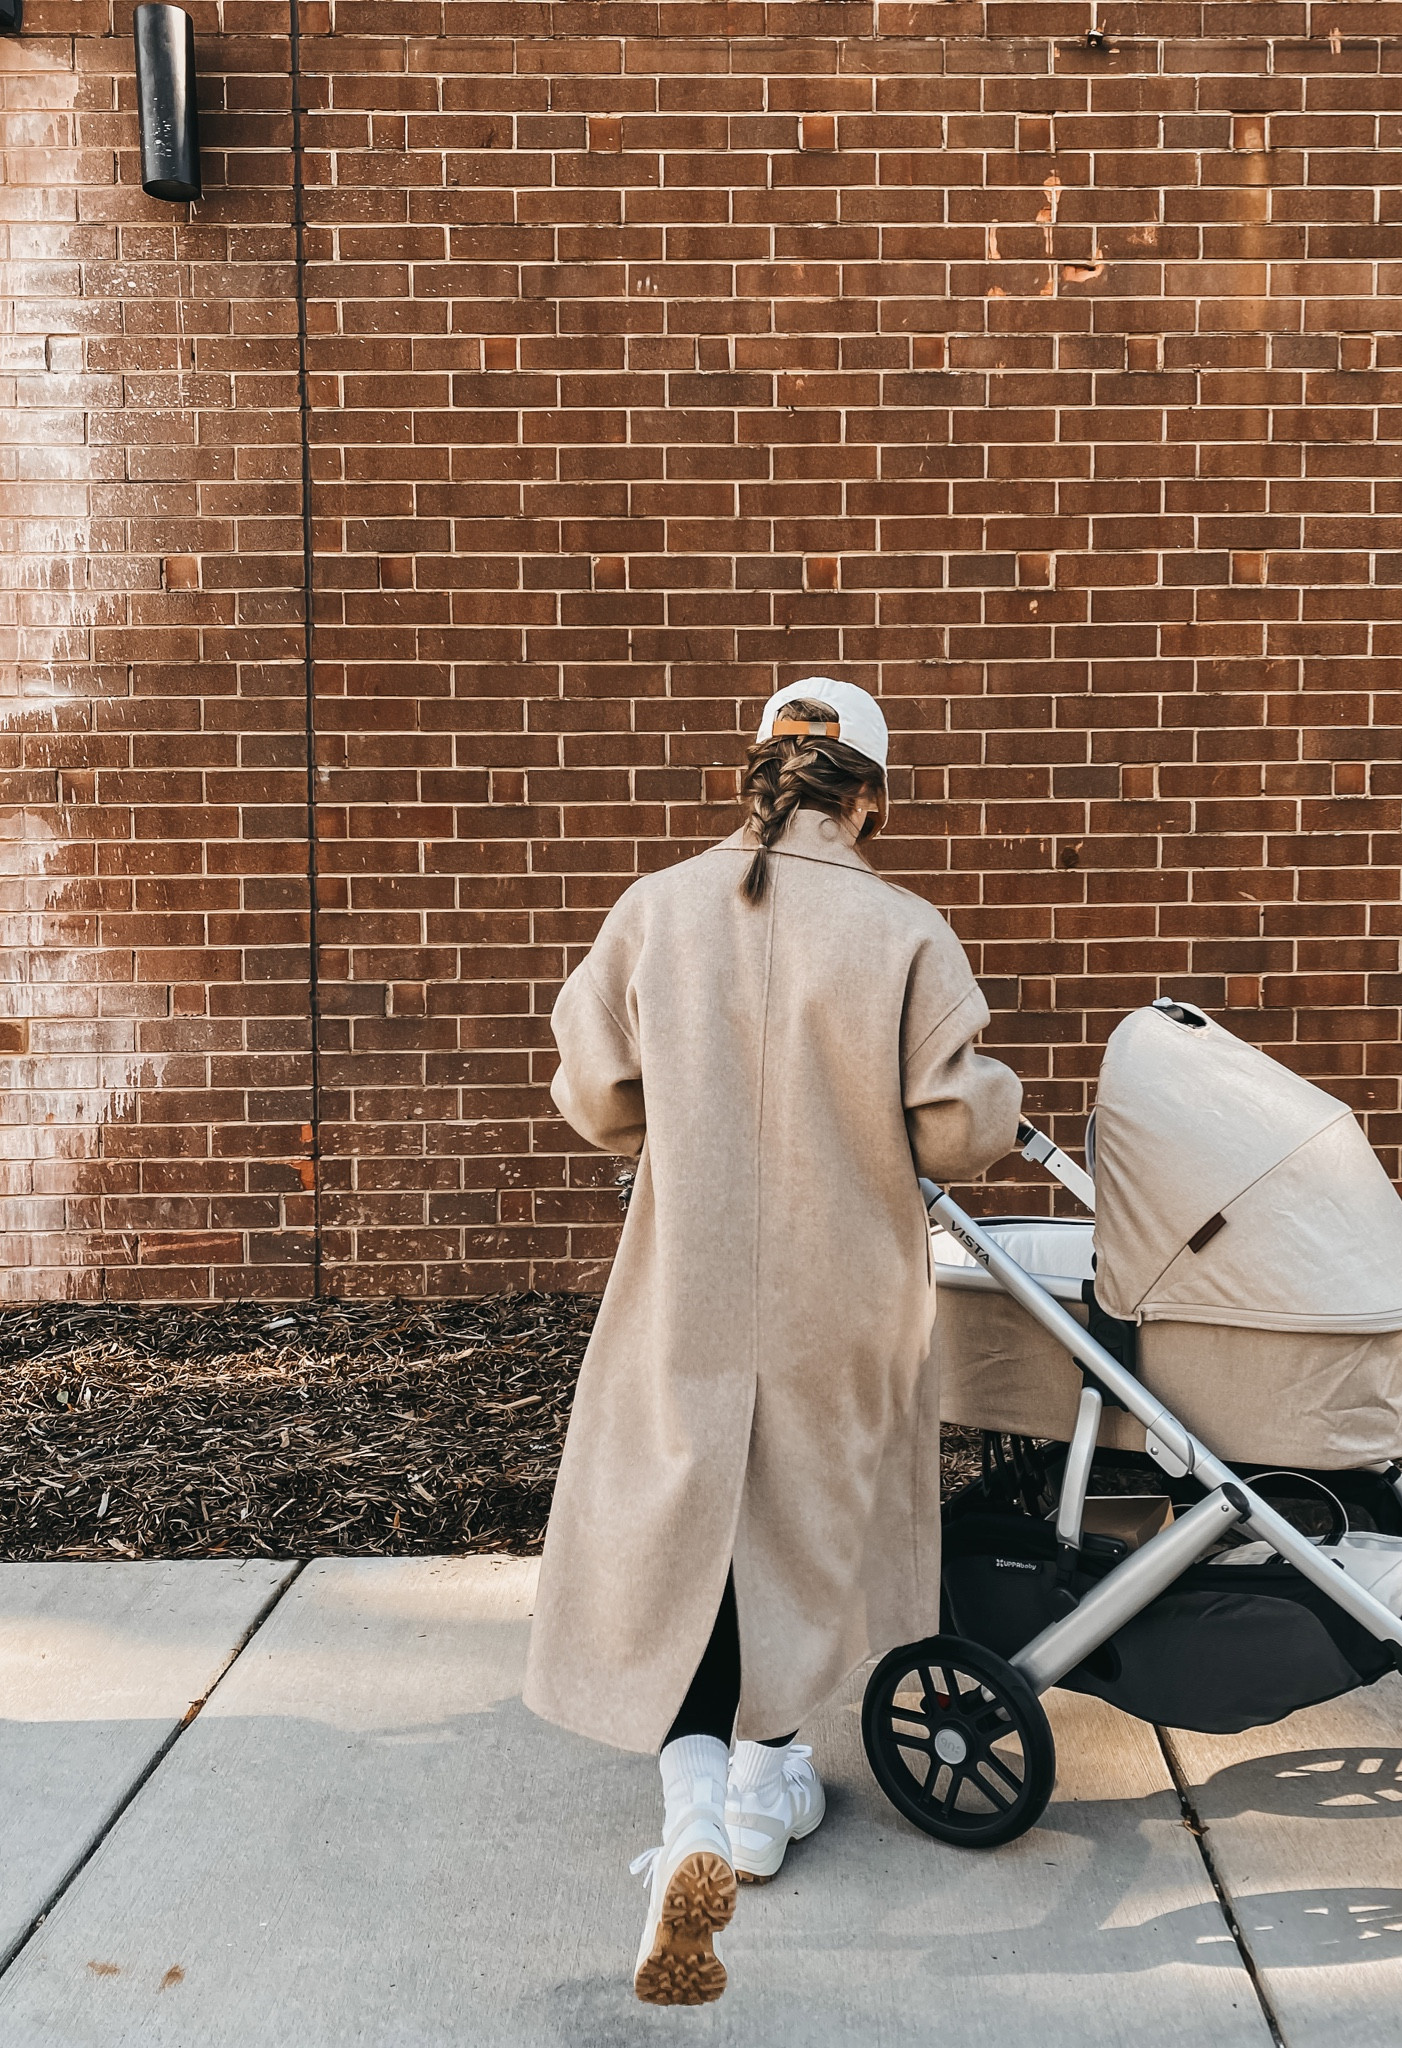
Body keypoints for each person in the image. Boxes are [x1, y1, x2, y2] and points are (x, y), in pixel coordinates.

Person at [524, 677, 1022, 2005]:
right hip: (840, 1278)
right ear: (869, 797)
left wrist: (670, 1119)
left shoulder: (655, 910)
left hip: (690, 1272)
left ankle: (697, 1809)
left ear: (753, 774)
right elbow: (957, 1126)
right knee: (804, 1512)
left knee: (689, 1509)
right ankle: (767, 1776)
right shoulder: (906, 930)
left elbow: (593, 1090)